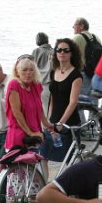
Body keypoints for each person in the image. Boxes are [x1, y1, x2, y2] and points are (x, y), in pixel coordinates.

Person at [4, 56, 48, 203]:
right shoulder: (14, 86)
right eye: (24, 70)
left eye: (31, 69)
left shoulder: (36, 86)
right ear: (17, 72)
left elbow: (40, 109)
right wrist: (30, 131)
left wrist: (48, 125)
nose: (28, 73)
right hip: (18, 136)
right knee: (15, 179)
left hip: (35, 136)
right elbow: (16, 113)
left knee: (33, 178)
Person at [41, 38, 83, 170]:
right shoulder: (54, 71)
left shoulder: (76, 75)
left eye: (66, 50)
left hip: (69, 122)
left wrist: (61, 123)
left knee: (69, 160)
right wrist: (50, 119)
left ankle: (66, 187)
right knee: (43, 155)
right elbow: (53, 97)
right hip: (53, 121)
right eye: (59, 50)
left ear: (71, 53)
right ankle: (44, 184)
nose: (62, 53)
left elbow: (73, 102)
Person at [72, 18, 101, 98]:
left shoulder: (77, 37)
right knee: (93, 100)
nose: (73, 28)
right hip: (96, 74)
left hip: (83, 73)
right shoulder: (96, 37)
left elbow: (69, 55)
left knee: (79, 101)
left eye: (74, 25)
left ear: (81, 26)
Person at [32, 33, 54, 110]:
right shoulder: (54, 51)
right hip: (52, 84)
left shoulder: (36, 51)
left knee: (43, 111)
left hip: (41, 84)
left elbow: (32, 67)